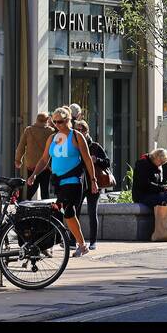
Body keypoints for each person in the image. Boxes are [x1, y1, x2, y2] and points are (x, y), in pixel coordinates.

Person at [26, 108, 97, 257]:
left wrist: (93, 181)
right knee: (61, 213)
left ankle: (75, 244)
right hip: (59, 182)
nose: (57, 124)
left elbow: (87, 159)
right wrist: (34, 175)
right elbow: (45, 159)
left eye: (60, 122)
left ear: (68, 120)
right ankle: (79, 244)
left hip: (74, 181)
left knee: (68, 212)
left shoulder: (76, 136)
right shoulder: (52, 138)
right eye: (55, 122)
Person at [75, 119, 110, 249]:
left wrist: (97, 159)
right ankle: (74, 241)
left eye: (81, 130)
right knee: (75, 212)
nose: (79, 132)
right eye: (77, 130)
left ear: (87, 131)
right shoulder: (75, 145)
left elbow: (107, 162)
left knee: (92, 212)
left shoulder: (95, 146)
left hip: (93, 183)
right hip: (78, 183)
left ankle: (93, 241)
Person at [15, 112, 55, 199]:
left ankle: (25, 206)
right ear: (47, 120)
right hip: (45, 166)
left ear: (36, 119)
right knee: (45, 190)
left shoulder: (28, 130)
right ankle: (46, 210)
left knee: (31, 188)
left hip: (31, 165)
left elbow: (21, 146)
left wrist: (18, 160)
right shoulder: (50, 131)